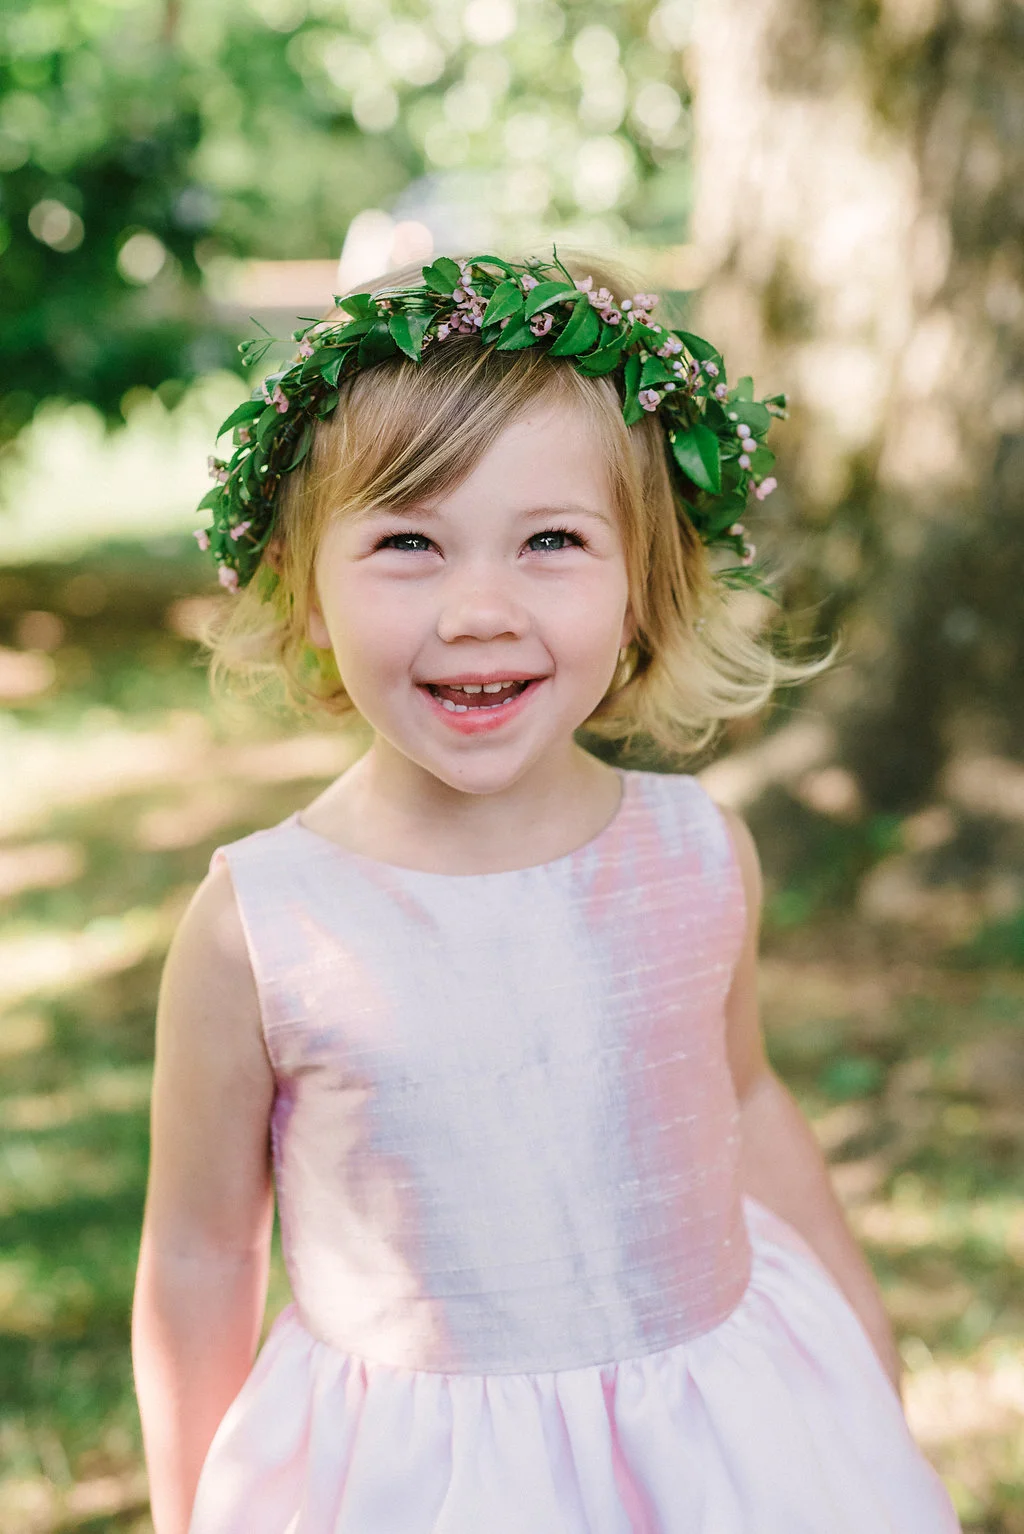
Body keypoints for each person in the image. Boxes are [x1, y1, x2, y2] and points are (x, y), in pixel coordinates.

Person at [132, 249, 961, 1533]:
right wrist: (189, 1504)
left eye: (551, 542)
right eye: (408, 540)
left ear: (644, 587)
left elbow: (742, 1093)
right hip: (415, 1476)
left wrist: (859, 1348)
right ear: (304, 585)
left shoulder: (694, 852)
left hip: (719, 1444)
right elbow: (199, 1250)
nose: (478, 609)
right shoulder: (264, 924)